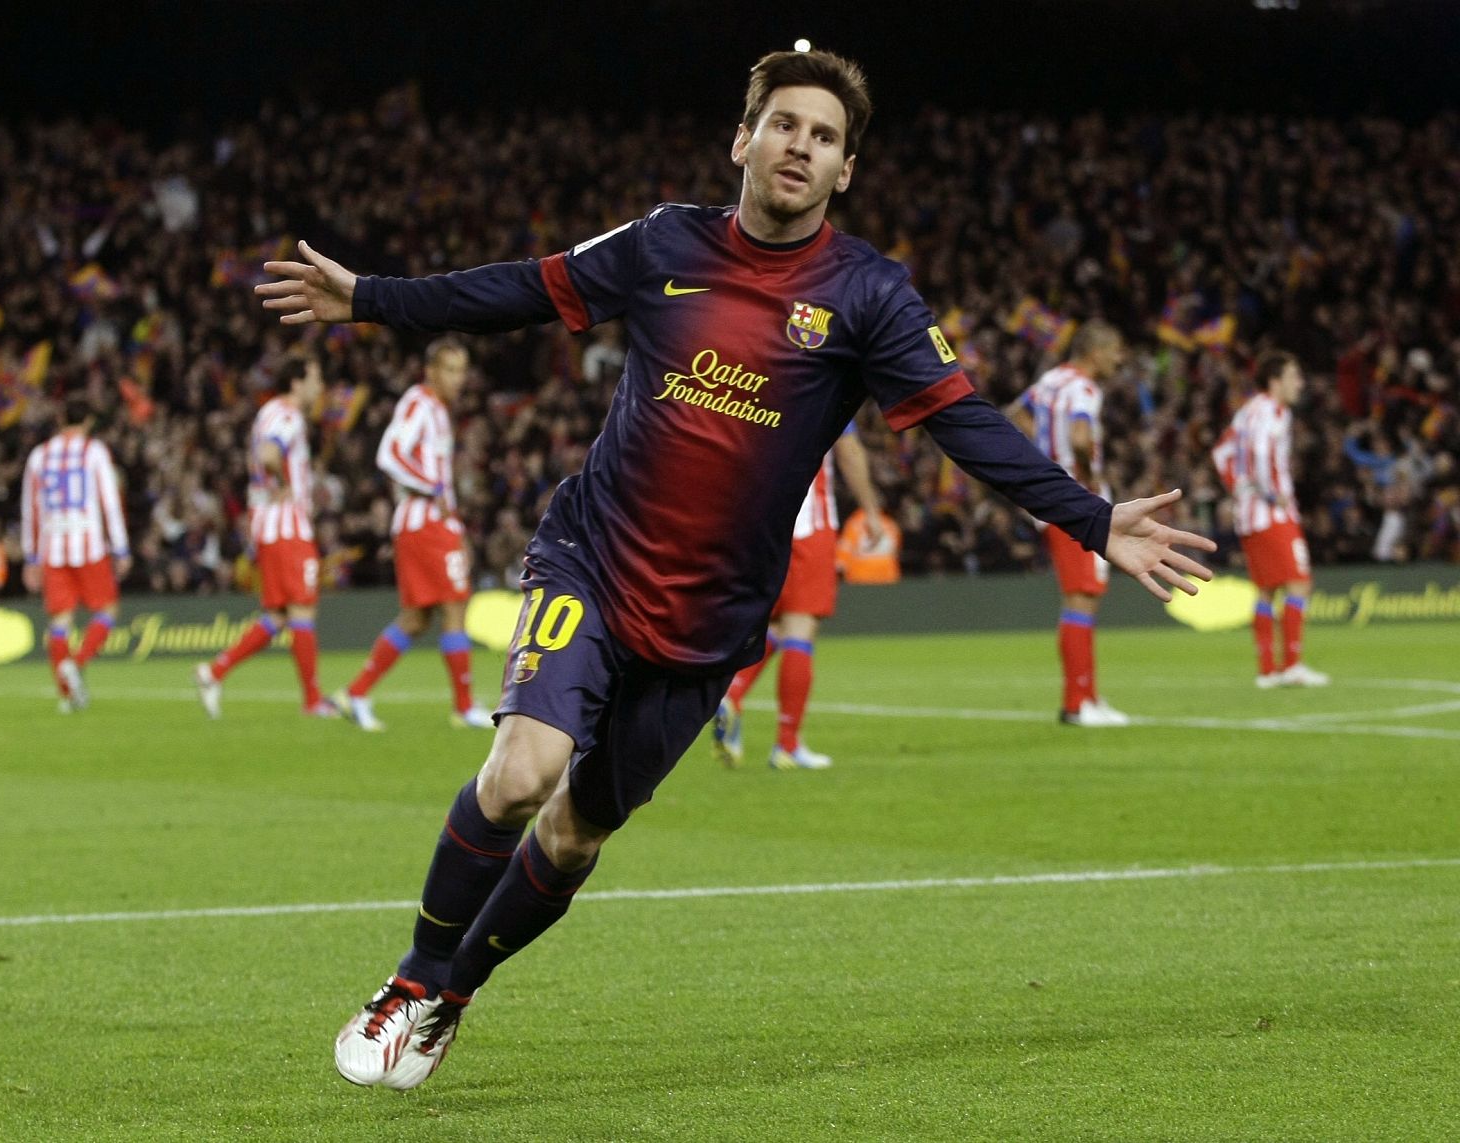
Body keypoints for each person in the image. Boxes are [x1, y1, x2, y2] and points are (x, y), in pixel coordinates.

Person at [255, 48, 1214, 1091]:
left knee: (577, 833)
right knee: (522, 771)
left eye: (825, 136)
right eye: (785, 125)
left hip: (708, 621)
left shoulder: (868, 295)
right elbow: (525, 291)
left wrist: (1088, 519)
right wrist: (373, 299)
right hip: (593, 560)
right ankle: (410, 979)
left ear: (845, 169)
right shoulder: (666, 240)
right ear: (743, 140)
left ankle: (450, 998)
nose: (801, 146)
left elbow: (964, 422)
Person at [335, 338, 492, 732]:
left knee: (417, 619)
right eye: (451, 370)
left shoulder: (437, 410)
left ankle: (355, 693)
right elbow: (390, 455)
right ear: (431, 371)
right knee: (454, 607)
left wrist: (456, 525)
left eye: (462, 370)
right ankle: (464, 706)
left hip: (430, 524)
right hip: (424, 523)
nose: (459, 379)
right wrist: (433, 489)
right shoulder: (419, 403)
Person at [712, 423, 884, 770]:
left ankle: (733, 693)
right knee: (802, 626)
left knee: (777, 623)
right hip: (807, 522)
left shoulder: (759, 383)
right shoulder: (827, 379)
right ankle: (787, 744)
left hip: (760, 523)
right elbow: (848, 451)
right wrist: (872, 511)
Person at [195, 357, 338, 717]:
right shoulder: (287, 415)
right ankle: (313, 701)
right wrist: (287, 484)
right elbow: (268, 453)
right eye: (315, 378)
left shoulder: (269, 412)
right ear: (296, 381)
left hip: (270, 524)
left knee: (278, 615)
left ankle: (214, 672)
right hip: (285, 524)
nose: (319, 387)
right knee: (302, 608)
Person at [1007, 320, 1132, 727]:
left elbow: (1013, 415)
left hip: (1049, 496)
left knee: (1086, 595)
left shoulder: (1050, 381)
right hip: (1075, 501)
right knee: (1080, 596)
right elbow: (1080, 437)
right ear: (1095, 352)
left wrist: (1039, 455)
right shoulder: (1084, 388)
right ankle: (1077, 703)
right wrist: (1085, 478)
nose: (1120, 358)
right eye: (1115, 350)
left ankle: (1089, 696)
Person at [1213, 350, 1330, 687]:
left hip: (1249, 515)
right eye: (1294, 376)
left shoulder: (1246, 411)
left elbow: (1221, 452)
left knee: (1265, 590)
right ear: (1275, 381)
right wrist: (1268, 491)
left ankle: (1267, 670)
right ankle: (1292, 664)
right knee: (1299, 583)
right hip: (1272, 512)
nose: (1300, 383)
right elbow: (1263, 453)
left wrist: (1239, 488)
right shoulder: (1274, 412)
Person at [19, 393, 131, 712]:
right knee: (107, 610)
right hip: (89, 543)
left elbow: (30, 509)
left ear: (59, 420)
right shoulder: (94, 451)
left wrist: (30, 557)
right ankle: (78, 664)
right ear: (88, 422)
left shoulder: (39, 456)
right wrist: (120, 547)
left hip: (52, 547)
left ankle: (68, 696)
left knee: (60, 621)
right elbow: (109, 501)